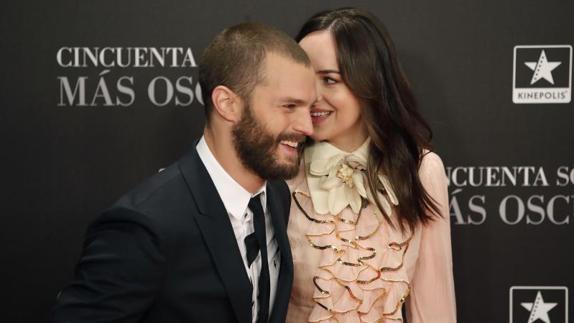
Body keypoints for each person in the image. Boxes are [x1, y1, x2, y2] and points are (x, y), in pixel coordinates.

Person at [51, 22, 317, 323]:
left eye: (309, 108)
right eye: (289, 106)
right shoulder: (146, 226)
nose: (307, 127)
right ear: (228, 104)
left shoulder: (276, 196)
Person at [285, 8, 457, 323]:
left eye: (329, 79)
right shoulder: (281, 168)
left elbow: (433, 306)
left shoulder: (421, 170)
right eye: (305, 80)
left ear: (368, 82)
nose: (312, 96)